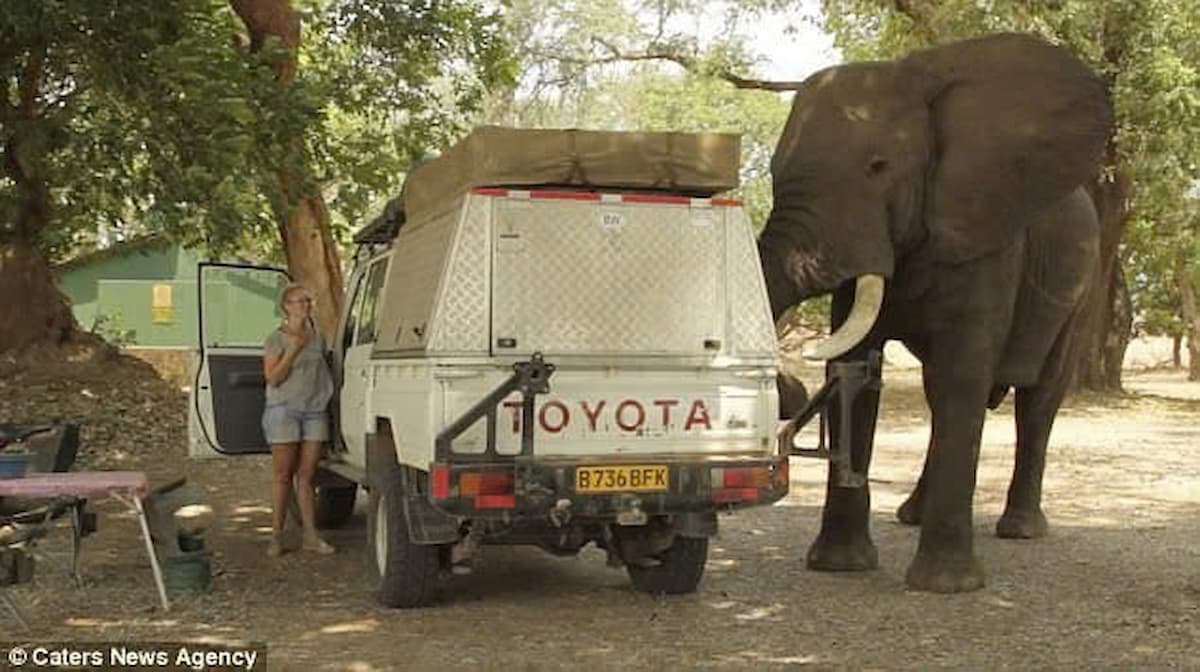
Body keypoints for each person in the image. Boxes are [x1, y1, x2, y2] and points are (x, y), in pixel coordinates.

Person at [261, 282, 336, 557]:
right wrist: (293, 349)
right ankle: (276, 535)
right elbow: (273, 378)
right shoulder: (275, 339)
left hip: (314, 410)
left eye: (307, 300)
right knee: (282, 476)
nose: (304, 305)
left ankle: (310, 535)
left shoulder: (319, 337)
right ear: (286, 306)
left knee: (307, 476)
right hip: (284, 410)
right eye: (298, 301)